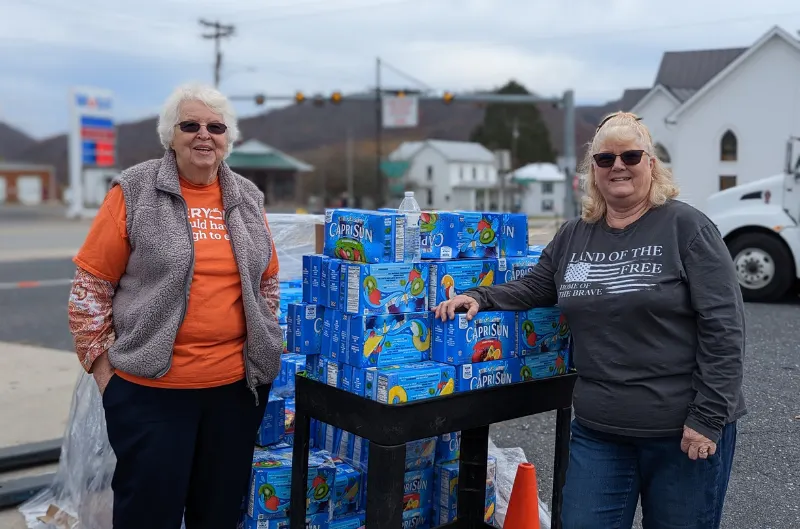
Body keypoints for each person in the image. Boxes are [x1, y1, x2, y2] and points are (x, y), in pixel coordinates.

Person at [435, 112, 746, 529]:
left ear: (651, 164)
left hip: (681, 432)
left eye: (631, 156)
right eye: (605, 159)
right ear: (592, 171)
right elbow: (535, 286)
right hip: (601, 430)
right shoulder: (574, 235)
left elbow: (724, 329)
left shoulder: (687, 228)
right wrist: (478, 297)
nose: (618, 166)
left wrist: (707, 418)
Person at [67, 83, 284, 529]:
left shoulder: (247, 196)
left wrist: (265, 345)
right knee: (149, 515)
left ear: (228, 138)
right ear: (171, 134)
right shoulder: (135, 190)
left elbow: (267, 282)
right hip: (152, 396)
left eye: (216, 126)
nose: (204, 135)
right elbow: (90, 286)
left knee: (218, 513)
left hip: (235, 393)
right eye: (191, 125)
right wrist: (107, 374)